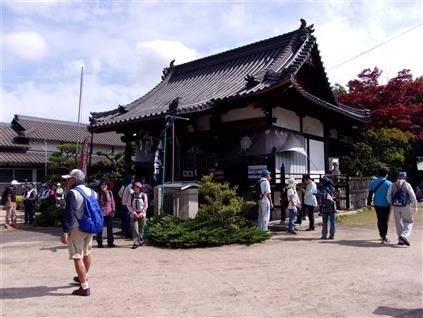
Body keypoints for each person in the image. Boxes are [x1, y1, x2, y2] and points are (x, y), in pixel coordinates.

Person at [60, 169, 95, 296]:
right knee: (87, 253)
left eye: (69, 179)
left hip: (76, 228)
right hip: (89, 227)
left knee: (77, 256)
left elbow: (69, 214)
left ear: (75, 180)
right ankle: (84, 276)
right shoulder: (92, 191)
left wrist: (65, 231)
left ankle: (84, 287)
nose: (67, 181)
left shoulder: (73, 193)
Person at [386, 172, 418, 246]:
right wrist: (415, 205)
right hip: (405, 205)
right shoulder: (407, 184)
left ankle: (401, 240)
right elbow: (412, 195)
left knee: (398, 222)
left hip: (395, 206)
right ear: (404, 177)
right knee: (409, 221)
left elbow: (388, 195)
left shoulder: (392, 184)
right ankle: (404, 235)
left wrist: (391, 203)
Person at [367, 168, 392, 244]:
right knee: (385, 220)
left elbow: (370, 194)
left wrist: (369, 204)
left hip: (377, 204)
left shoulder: (373, 182)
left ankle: (381, 234)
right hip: (386, 204)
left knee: (380, 219)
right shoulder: (389, 183)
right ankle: (384, 237)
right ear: (386, 175)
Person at [127, 182, 148, 249]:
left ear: (140, 188)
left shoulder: (144, 195)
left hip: (142, 214)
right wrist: (133, 212)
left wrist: (142, 213)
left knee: (141, 228)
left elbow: (145, 205)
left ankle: (141, 240)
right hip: (134, 214)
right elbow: (129, 205)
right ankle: (135, 242)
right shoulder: (131, 195)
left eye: (137, 187)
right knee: (135, 228)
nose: (135, 189)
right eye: (134, 187)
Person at [96, 179, 116, 248]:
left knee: (110, 228)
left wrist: (113, 210)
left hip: (109, 212)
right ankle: (99, 242)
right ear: (100, 186)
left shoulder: (110, 192)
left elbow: (112, 202)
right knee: (100, 228)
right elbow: (96, 203)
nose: (104, 186)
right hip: (100, 213)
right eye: (102, 185)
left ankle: (110, 242)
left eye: (105, 185)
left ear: (107, 186)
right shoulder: (98, 193)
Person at [119, 175, 135, 239]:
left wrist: (123, 198)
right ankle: (127, 234)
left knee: (123, 220)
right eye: (132, 179)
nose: (133, 180)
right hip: (127, 205)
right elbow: (133, 193)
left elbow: (119, 193)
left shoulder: (123, 185)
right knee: (127, 220)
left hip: (123, 204)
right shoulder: (130, 186)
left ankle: (123, 233)